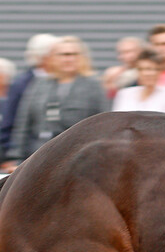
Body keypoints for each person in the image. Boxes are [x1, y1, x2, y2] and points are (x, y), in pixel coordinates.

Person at [7, 36, 108, 169]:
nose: (69, 59)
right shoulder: (38, 85)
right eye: (63, 55)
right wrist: (16, 157)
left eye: (74, 54)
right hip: (37, 157)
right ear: (52, 58)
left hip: (78, 160)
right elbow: (23, 123)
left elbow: (103, 124)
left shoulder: (94, 86)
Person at [0, 33, 59, 166]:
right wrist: (10, 154)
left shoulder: (60, 80)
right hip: (29, 155)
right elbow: (11, 121)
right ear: (45, 57)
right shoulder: (23, 83)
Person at [112, 49, 165, 116]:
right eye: (143, 69)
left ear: (160, 71)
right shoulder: (124, 94)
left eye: (154, 69)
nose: (148, 73)